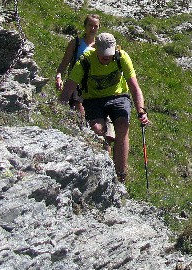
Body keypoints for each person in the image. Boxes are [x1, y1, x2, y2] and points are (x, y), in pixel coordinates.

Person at [59, 32, 150, 182]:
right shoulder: (85, 60)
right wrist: (58, 110)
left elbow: (135, 88)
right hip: (93, 99)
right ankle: (103, 171)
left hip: (119, 96)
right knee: (97, 129)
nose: (106, 59)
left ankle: (121, 175)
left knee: (122, 125)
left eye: (109, 55)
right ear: (96, 50)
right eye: (102, 55)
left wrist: (141, 111)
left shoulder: (122, 57)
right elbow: (68, 89)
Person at [54, 14, 101, 118]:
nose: (92, 28)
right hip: (75, 82)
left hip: (93, 85)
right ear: (85, 26)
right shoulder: (76, 43)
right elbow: (64, 63)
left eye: (95, 26)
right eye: (90, 25)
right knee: (78, 106)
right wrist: (59, 76)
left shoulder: (100, 47)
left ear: (99, 28)